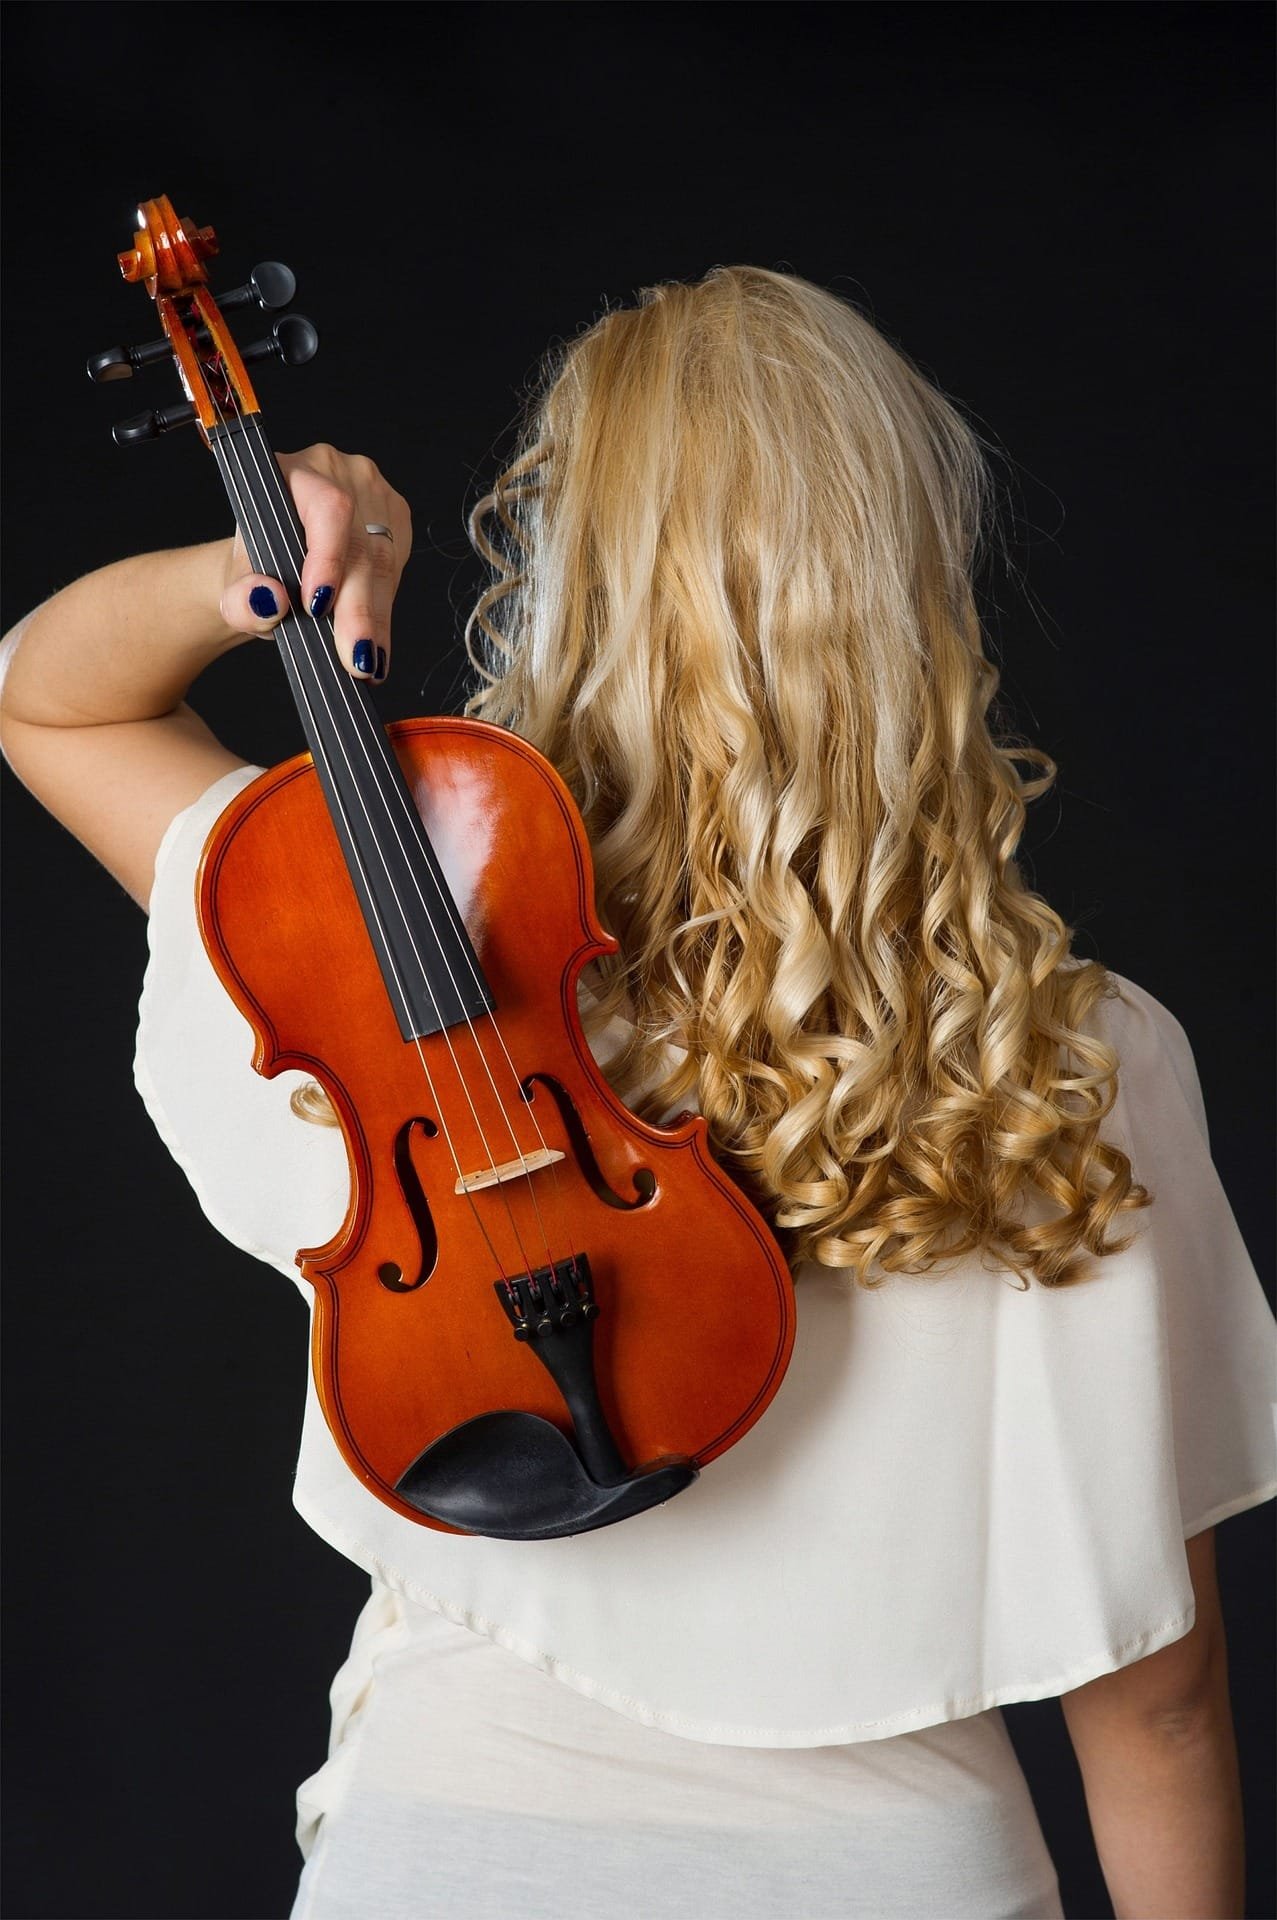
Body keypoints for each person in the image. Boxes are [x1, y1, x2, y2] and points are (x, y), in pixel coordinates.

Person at [2, 266, 1272, 1920]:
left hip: (448, 1858)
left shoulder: (379, 970)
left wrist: (251, 571)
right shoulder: (1065, 1059)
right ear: (907, 586)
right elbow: (1157, 1708)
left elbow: (52, 698)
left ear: (563, 560)